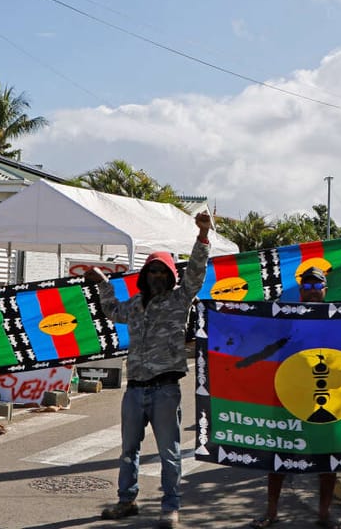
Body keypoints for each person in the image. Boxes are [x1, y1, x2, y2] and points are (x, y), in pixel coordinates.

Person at [87, 211, 213, 529]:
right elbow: (112, 310)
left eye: (162, 271)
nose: (157, 276)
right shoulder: (134, 305)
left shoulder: (179, 299)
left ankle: (170, 507)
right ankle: (126, 501)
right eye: (152, 271)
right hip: (135, 390)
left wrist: (201, 236)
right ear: (145, 276)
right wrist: (103, 284)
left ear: (170, 276)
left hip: (166, 389)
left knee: (169, 454)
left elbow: (196, 274)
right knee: (128, 450)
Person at [251, 266, 341, 529]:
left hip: (325, 400)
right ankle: (271, 512)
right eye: (307, 287)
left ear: (325, 290)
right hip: (288, 398)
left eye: (317, 287)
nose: (312, 291)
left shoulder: (340, 318)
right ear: (300, 291)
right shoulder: (285, 317)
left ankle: (324, 514)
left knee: (328, 458)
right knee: (279, 457)